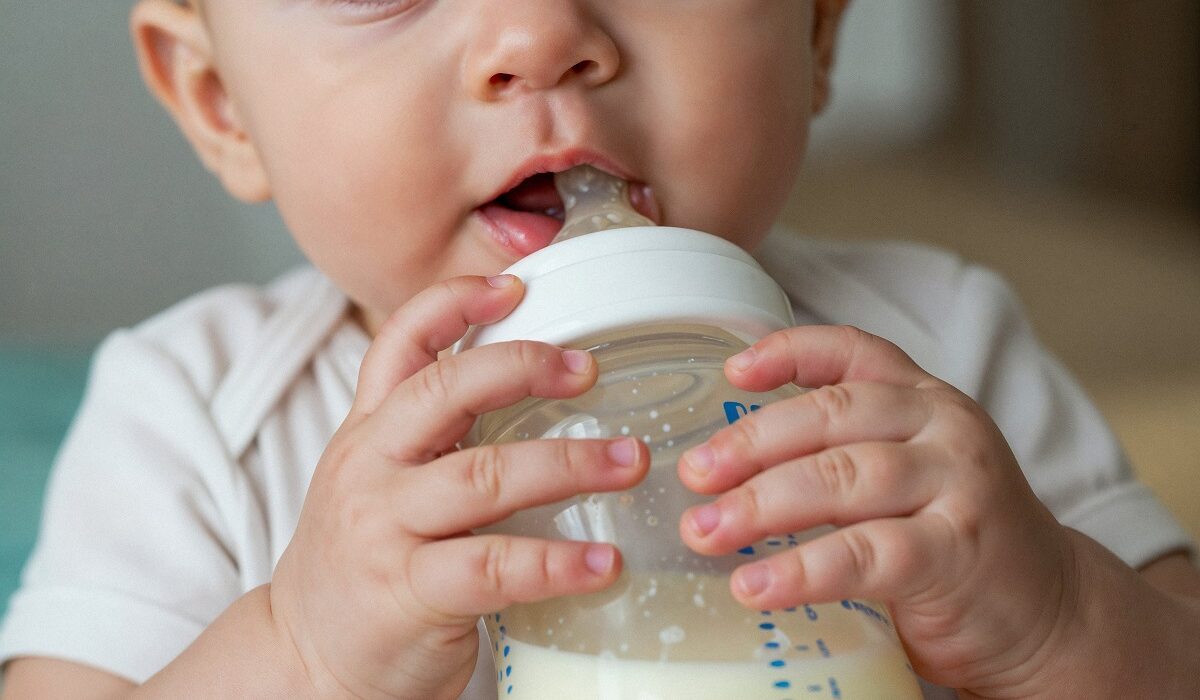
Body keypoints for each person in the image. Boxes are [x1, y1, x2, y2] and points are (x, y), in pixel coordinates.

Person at [2, 1, 1198, 698]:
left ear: (817, 27)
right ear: (220, 102)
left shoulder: (934, 357)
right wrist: (301, 651)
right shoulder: (193, 417)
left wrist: (1057, 620)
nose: (540, 36)